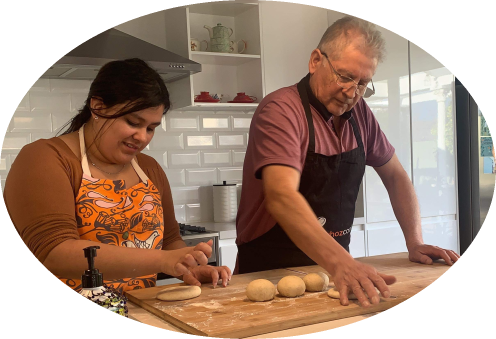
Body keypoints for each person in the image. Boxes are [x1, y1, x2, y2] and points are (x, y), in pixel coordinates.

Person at [235, 17, 460, 307]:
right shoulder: (281, 110)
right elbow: (281, 194)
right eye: (344, 76)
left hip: (335, 270)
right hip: (270, 269)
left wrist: (414, 242)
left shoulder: (360, 115)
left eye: (363, 83)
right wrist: (342, 263)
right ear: (316, 60)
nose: (352, 92)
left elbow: (395, 176)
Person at [4, 58, 231, 293]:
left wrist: (189, 268)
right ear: (98, 107)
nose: (143, 137)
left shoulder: (149, 169)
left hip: (140, 312)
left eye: (151, 128)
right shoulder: (46, 158)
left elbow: (171, 240)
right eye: (133, 122)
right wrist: (165, 261)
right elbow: (54, 253)